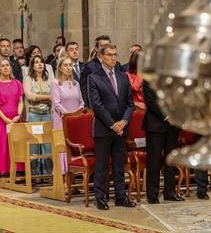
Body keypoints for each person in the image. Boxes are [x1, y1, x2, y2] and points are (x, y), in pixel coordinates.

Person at [123, 50, 184, 204]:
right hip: (156, 124)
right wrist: (167, 116)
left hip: (173, 126)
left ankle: (170, 191)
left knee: (170, 161)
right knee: (154, 161)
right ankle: (152, 194)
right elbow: (150, 101)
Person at [88, 44, 136, 210]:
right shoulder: (94, 77)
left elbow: (130, 103)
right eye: (109, 55)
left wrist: (123, 121)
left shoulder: (123, 76)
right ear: (101, 57)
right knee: (102, 166)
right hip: (103, 128)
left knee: (118, 165)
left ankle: (121, 197)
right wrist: (112, 124)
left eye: (115, 55)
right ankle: (100, 198)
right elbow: (97, 105)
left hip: (122, 128)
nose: (113, 58)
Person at [0, 58, 25, 177]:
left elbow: (20, 101)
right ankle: (3, 170)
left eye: (7, 65)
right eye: (2, 66)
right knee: (3, 145)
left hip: (15, 119)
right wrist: (5, 119)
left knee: (16, 144)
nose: (5, 67)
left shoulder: (17, 83)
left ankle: (18, 169)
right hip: (1, 120)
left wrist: (18, 115)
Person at [50, 57, 85, 175]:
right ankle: (63, 177)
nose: (68, 68)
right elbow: (56, 103)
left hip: (75, 121)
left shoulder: (76, 83)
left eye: (70, 65)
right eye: (65, 65)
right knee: (63, 149)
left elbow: (81, 102)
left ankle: (73, 177)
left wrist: (77, 115)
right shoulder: (55, 83)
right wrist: (69, 115)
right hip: (62, 120)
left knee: (73, 148)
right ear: (60, 67)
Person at [23, 55, 53, 176]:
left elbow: (54, 94)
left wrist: (40, 98)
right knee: (34, 144)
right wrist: (47, 97)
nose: (40, 64)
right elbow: (30, 96)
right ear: (32, 66)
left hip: (46, 114)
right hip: (34, 115)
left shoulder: (48, 78)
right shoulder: (29, 78)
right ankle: (34, 174)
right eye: (36, 62)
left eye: (41, 62)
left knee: (47, 145)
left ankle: (47, 173)